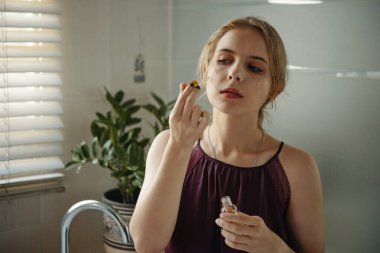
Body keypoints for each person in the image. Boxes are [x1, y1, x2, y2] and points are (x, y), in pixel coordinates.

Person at [129, 16, 324, 253]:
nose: (235, 73)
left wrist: (274, 248)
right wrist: (180, 146)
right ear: (205, 70)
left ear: (274, 90)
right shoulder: (166, 145)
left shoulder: (297, 166)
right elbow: (146, 245)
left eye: (254, 67)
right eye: (224, 60)